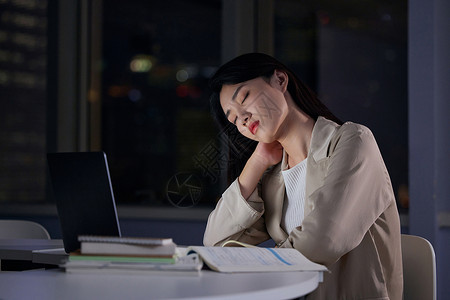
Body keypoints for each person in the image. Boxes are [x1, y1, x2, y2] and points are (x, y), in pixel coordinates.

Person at [203, 53, 403, 300]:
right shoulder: (273, 178)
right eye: (233, 120)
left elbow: (324, 239)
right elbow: (215, 242)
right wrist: (256, 162)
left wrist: (258, 267)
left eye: (244, 97)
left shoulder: (353, 141)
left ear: (279, 80)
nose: (242, 119)